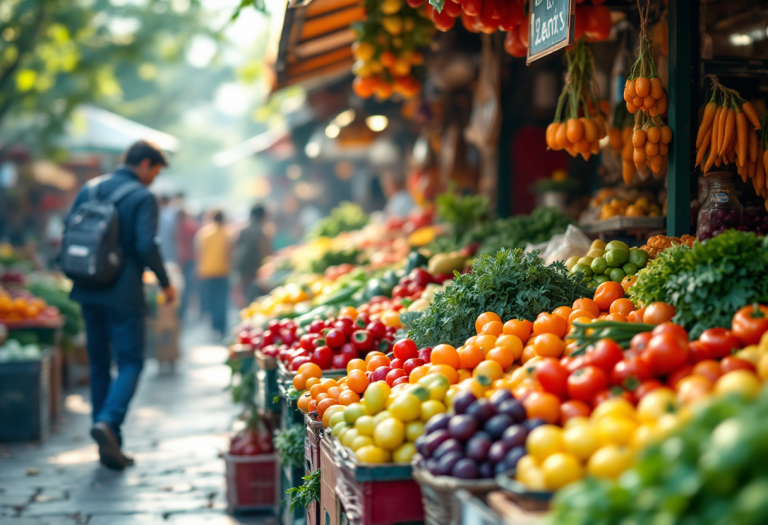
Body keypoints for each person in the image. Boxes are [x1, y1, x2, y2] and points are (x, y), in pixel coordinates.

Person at [64, 140, 175, 470]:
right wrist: (166, 282)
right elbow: (146, 245)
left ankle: (108, 442)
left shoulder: (90, 189)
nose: (153, 178)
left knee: (99, 365)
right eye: (154, 171)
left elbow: (69, 232)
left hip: (86, 288)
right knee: (130, 362)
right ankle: (109, 423)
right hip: (124, 294)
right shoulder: (142, 197)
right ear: (144, 164)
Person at [196, 209, 231, 338]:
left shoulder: (205, 233)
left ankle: (214, 326)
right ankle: (222, 327)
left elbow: (200, 252)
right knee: (221, 300)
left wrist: (199, 269)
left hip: (208, 272)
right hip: (223, 271)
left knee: (211, 300)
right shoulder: (228, 233)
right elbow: (230, 253)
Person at [234, 204, 270, 305]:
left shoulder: (242, 230)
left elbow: (236, 247)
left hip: (242, 265)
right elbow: (265, 250)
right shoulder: (259, 231)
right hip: (254, 267)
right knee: (253, 293)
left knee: (245, 292)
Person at [176, 208, 199, 320]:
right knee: (190, 286)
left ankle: (184, 310)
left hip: (184, 260)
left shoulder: (178, 227)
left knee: (185, 286)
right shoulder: (192, 226)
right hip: (190, 259)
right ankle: (192, 309)